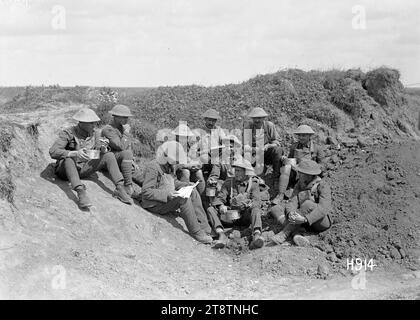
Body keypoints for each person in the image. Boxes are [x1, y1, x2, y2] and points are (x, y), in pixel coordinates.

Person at [49, 108, 132, 209]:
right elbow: (53, 151)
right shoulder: (68, 133)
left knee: (109, 155)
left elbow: (99, 150)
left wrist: (103, 148)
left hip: (84, 168)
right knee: (68, 159)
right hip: (66, 170)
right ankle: (80, 191)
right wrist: (74, 153)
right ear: (81, 123)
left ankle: (119, 188)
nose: (94, 125)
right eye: (91, 123)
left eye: (94, 123)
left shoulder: (96, 133)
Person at [141, 141, 213, 244]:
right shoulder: (153, 167)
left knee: (192, 191)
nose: (176, 161)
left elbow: (172, 181)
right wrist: (167, 194)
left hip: (167, 199)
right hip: (154, 204)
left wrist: (185, 185)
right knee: (183, 199)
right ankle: (197, 232)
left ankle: (205, 229)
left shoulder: (169, 166)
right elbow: (146, 191)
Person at [270, 159, 332, 246]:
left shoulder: (323, 186)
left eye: (302, 173)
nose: (299, 175)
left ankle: (285, 233)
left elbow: (324, 208)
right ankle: (296, 233)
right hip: (300, 220)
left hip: (319, 222)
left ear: (309, 175)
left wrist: (305, 219)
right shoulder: (300, 184)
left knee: (307, 204)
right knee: (276, 208)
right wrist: (290, 213)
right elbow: (292, 202)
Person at [207, 157, 265, 249]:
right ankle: (221, 234)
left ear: (246, 172)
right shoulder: (228, 183)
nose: (236, 173)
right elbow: (220, 198)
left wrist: (249, 204)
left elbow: (257, 201)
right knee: (210, 209)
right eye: (236, 170)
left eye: (239, 171)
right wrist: (221, 206)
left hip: (245, 217)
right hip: (230, 218)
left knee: (256, 210)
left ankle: (257, 235)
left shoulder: (253, 184)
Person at [243, 107, 285, 204]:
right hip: (255, 154)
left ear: (264, 118)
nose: (257, 120)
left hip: (267, 153)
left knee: (278, 150)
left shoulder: (269, 126)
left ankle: (276, 176)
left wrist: (268, 145)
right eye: (255, 118)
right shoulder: (248, 127)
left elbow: (276, 142)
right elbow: (245, 146)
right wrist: (255, 149)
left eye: (260, 118)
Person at [278, 125, 326, 197]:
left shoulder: (317, 148)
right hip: (296, 172)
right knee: (286, 168)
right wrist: (286, 160)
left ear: (309, 136)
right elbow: (290, 160)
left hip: (309, 174)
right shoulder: (294, 146)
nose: (300, 137)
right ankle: (280, 194)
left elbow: (323, 165)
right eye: (299, 135)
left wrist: (311, 167)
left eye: (303, 135)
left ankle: (299, 192)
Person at [100, 104, 136, 196]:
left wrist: (132, 160)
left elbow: (128, 146)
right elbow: (121, 147)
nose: (126, 120)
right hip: (110, 160)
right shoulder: (108, 129)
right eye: (124, 117)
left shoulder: (121, 128)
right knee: (127, 154)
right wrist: (126, 133)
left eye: (127, 117)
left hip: (121, 159)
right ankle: (128, 185)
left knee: (138, 174)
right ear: (116, 117)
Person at [172, 122, 206, 194]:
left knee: (199, 173)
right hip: (174, 175)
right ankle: (183, 196)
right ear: (177, 136)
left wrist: (196, 165)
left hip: (189, 169)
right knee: (185, 172)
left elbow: (198, 160)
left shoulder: (189, 147)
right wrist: (188, 165)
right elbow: (174, 166)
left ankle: (203, 200)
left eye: (185, 137)